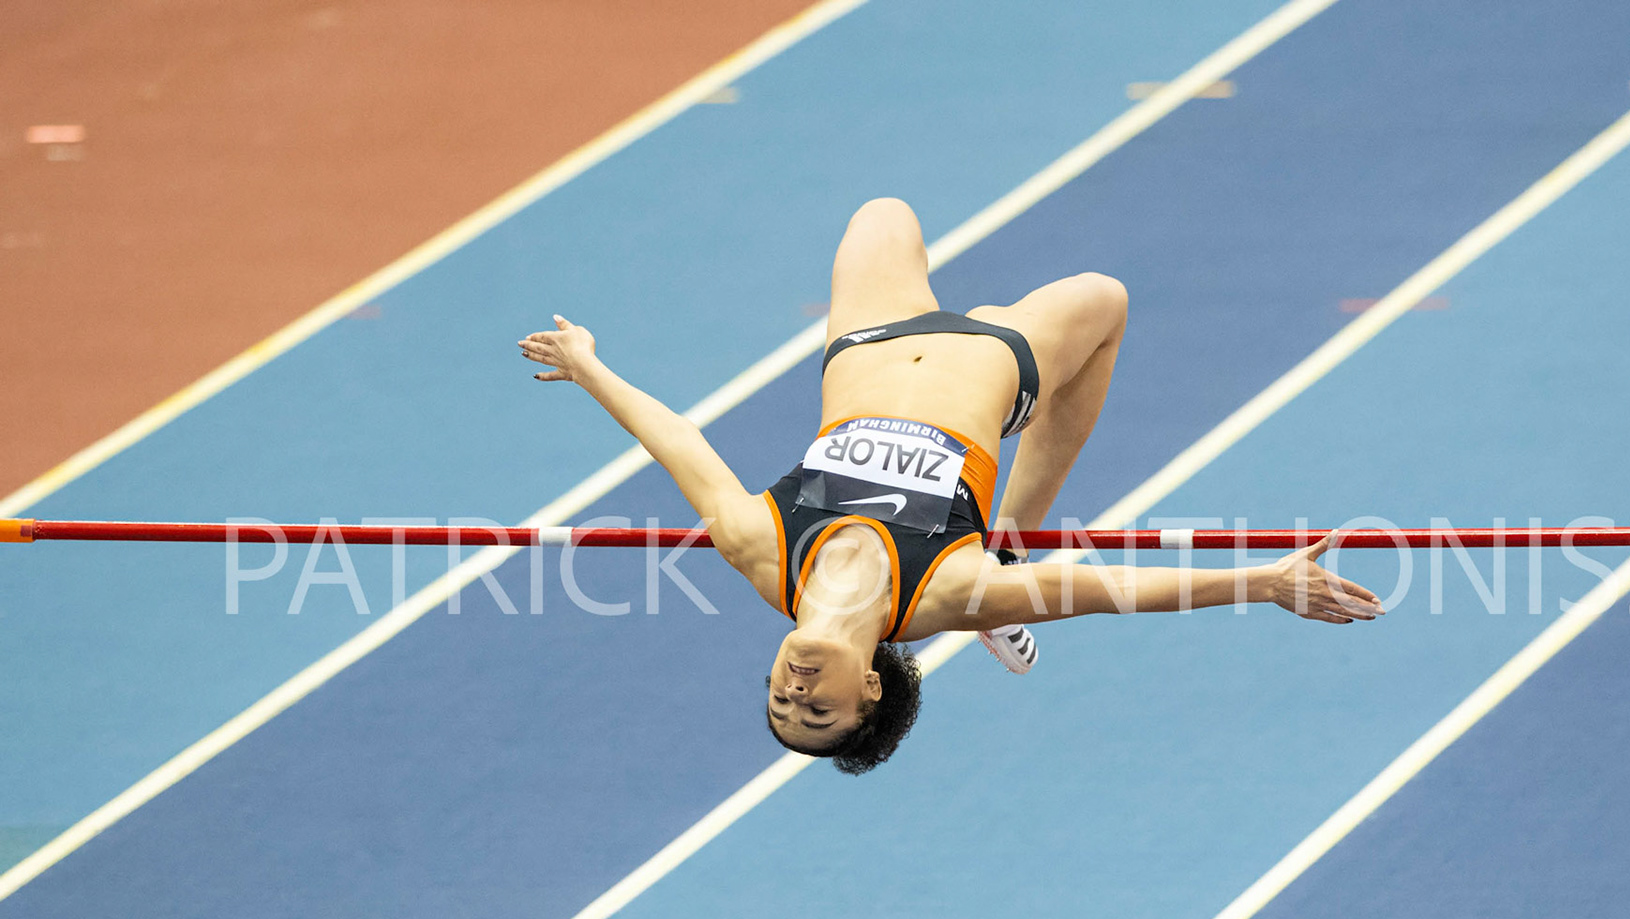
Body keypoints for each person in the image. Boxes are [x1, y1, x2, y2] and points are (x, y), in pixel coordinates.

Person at [518, 198, 1381, 774]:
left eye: (780, 699)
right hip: (991, 366)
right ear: (869, 689)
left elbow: (680, 444)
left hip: (868, 339)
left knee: (883, 213)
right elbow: (1111, 588)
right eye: (815, 713)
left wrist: (591, 369)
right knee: (1105, 300)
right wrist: (1261, 580)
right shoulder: (944, 598)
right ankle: (1016, 527)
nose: (796, 692)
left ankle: (1011, 539)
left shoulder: (761, 555)